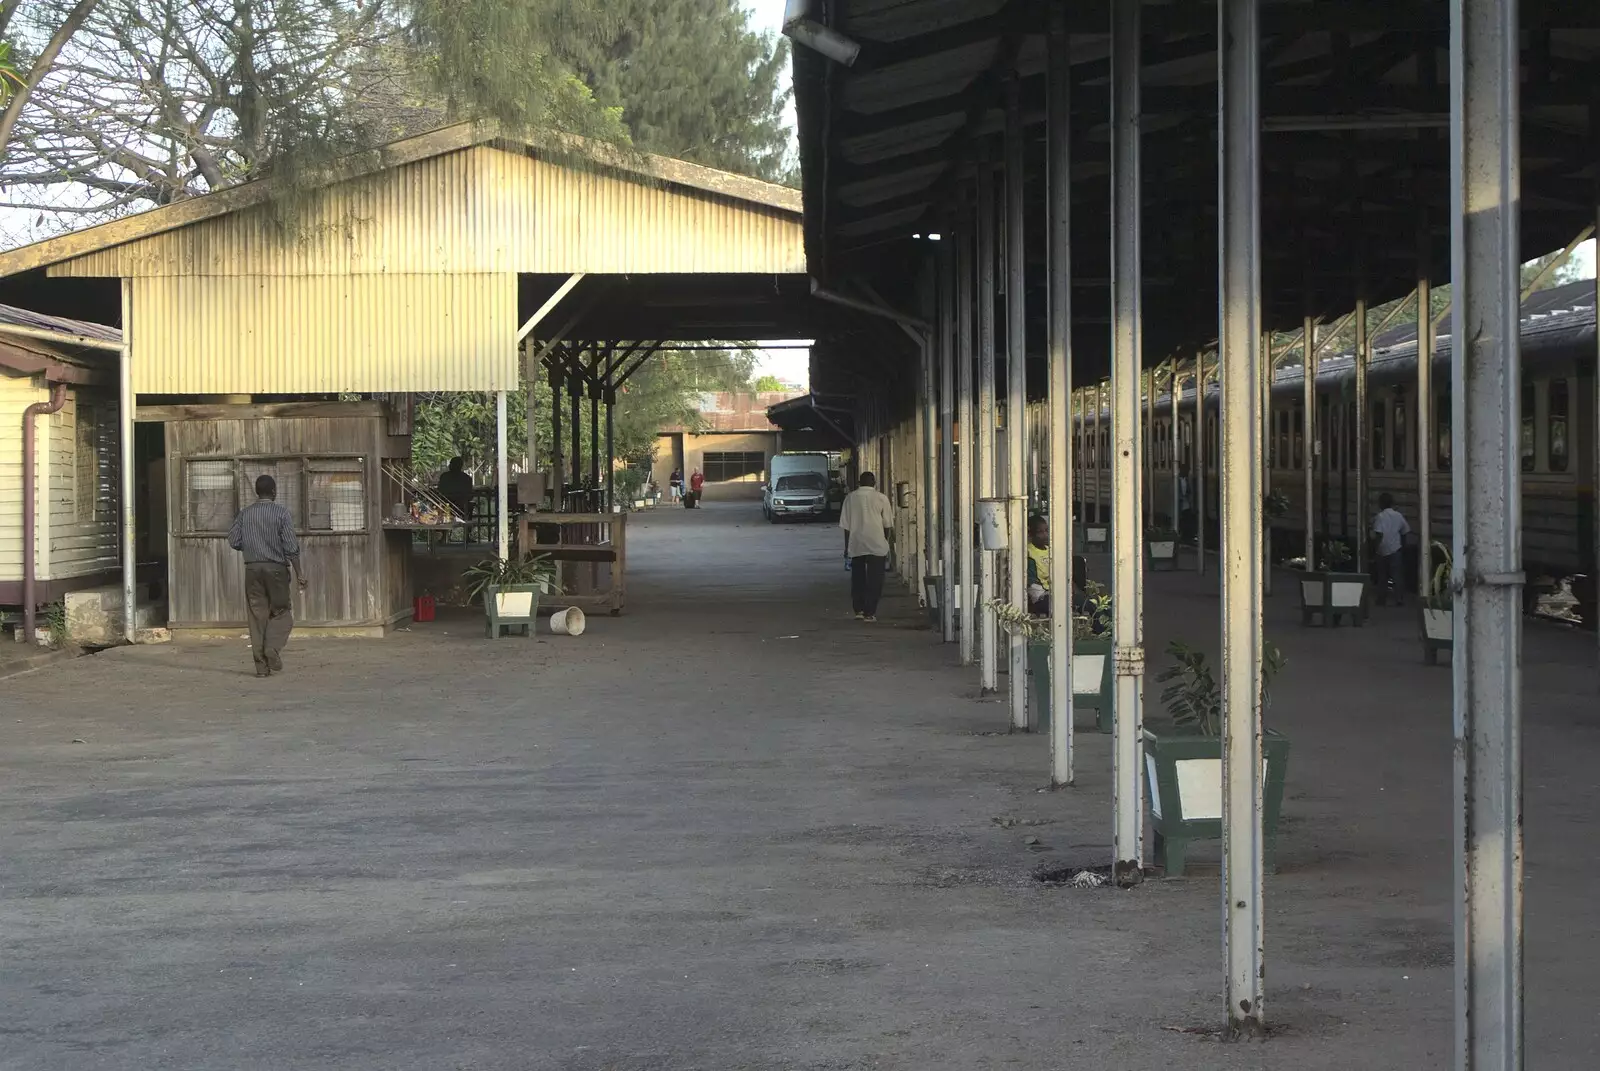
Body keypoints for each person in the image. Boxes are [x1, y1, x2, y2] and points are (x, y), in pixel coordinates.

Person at [227, 474, 306, 677]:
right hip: (276, 570)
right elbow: (290, 546)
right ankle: (272, 648)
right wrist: (299, 573)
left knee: (257, 617)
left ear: (256, 492)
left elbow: (234, 540)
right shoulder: (281, 513)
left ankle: (261, 668)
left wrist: (252, 547)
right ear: (273, 492)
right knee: (282, 613)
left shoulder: (245, 514)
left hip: (252, 569)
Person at [840, 471, 895, 621]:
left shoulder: (850, 498)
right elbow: (887, 524)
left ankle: (858, 610)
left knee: (858, 578)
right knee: (875, 579)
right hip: (876, 543)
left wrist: (847, 548)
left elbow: (846, 526)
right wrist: (885, 541)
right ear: (874, 483)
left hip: (856, 543)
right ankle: (870, 613)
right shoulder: (881, 498)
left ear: (859, 482)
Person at [1371, 492, 1411, 605]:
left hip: (1382, 550)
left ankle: (1381, 599)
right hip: (1396, 549)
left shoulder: (1380, 516)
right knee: (1397, 575)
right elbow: (1405, 531)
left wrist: (1375, 550)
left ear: (1380, 504)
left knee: (1382, 576)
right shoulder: (1398, 515)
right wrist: (1403, 547)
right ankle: (1399, 599)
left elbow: (1379, 534)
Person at [436, 457, 475, 521]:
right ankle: (468, 528)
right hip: (462, 507)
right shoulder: (467, 478)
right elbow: (470, 496)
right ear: (461, 466)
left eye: (451, 463)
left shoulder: (444, 476)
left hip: (447, 506)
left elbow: (440, 491)